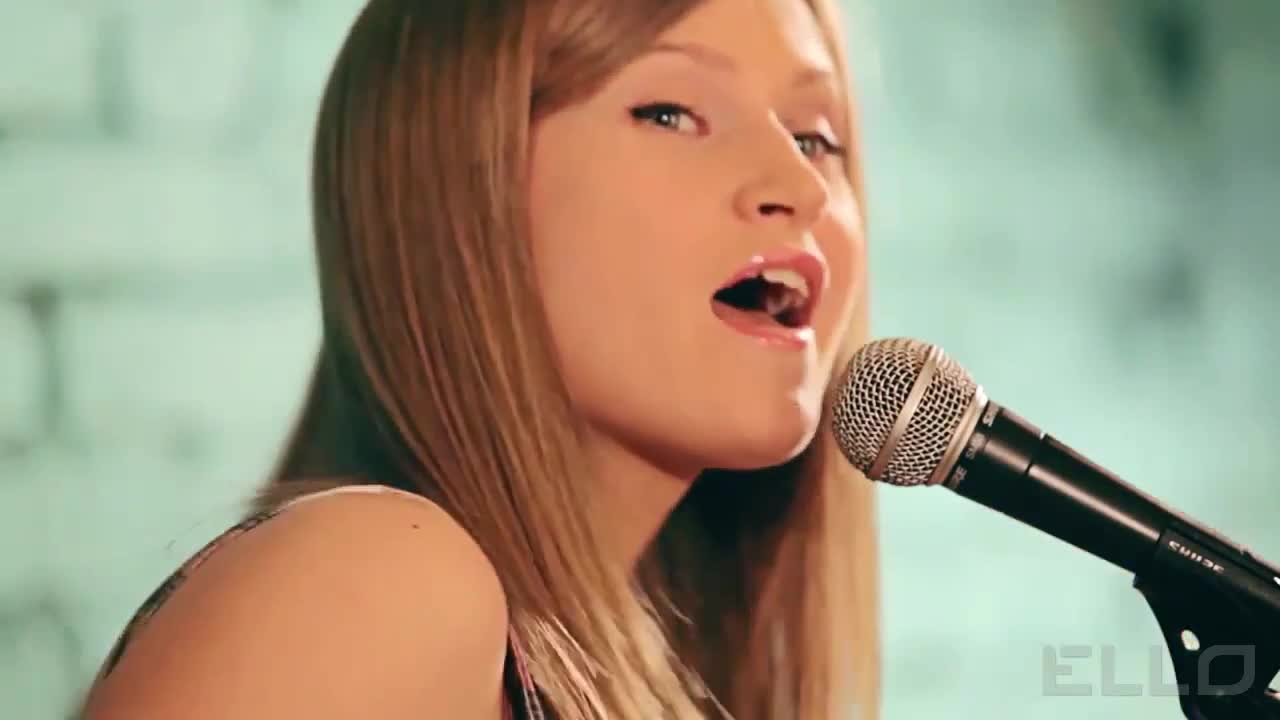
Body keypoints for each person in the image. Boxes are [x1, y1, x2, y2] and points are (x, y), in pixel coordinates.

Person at [79, 0, 879, 717]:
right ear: (456, 190)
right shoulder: (375, 585)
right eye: (669, 113)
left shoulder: (668, 671)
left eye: (816, 138)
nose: (799, 184)